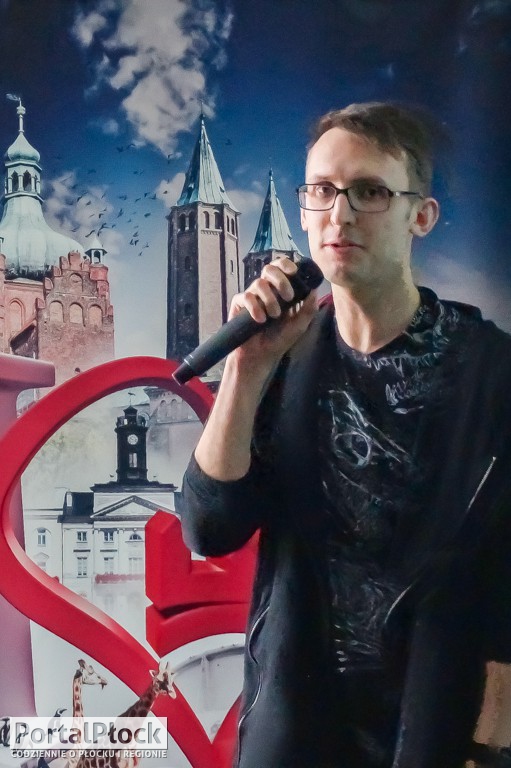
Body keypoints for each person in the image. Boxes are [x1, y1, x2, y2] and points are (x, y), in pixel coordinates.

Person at [177, 102, 511, 768]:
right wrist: (247, 367)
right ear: (302, 213)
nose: (340, 213)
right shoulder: (281, 357)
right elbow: (209, 529)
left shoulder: (489, 368)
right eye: (322, 191)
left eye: (370, 192)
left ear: (420, 217)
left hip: (434, 723)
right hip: (297, 723)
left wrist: (488, 742)